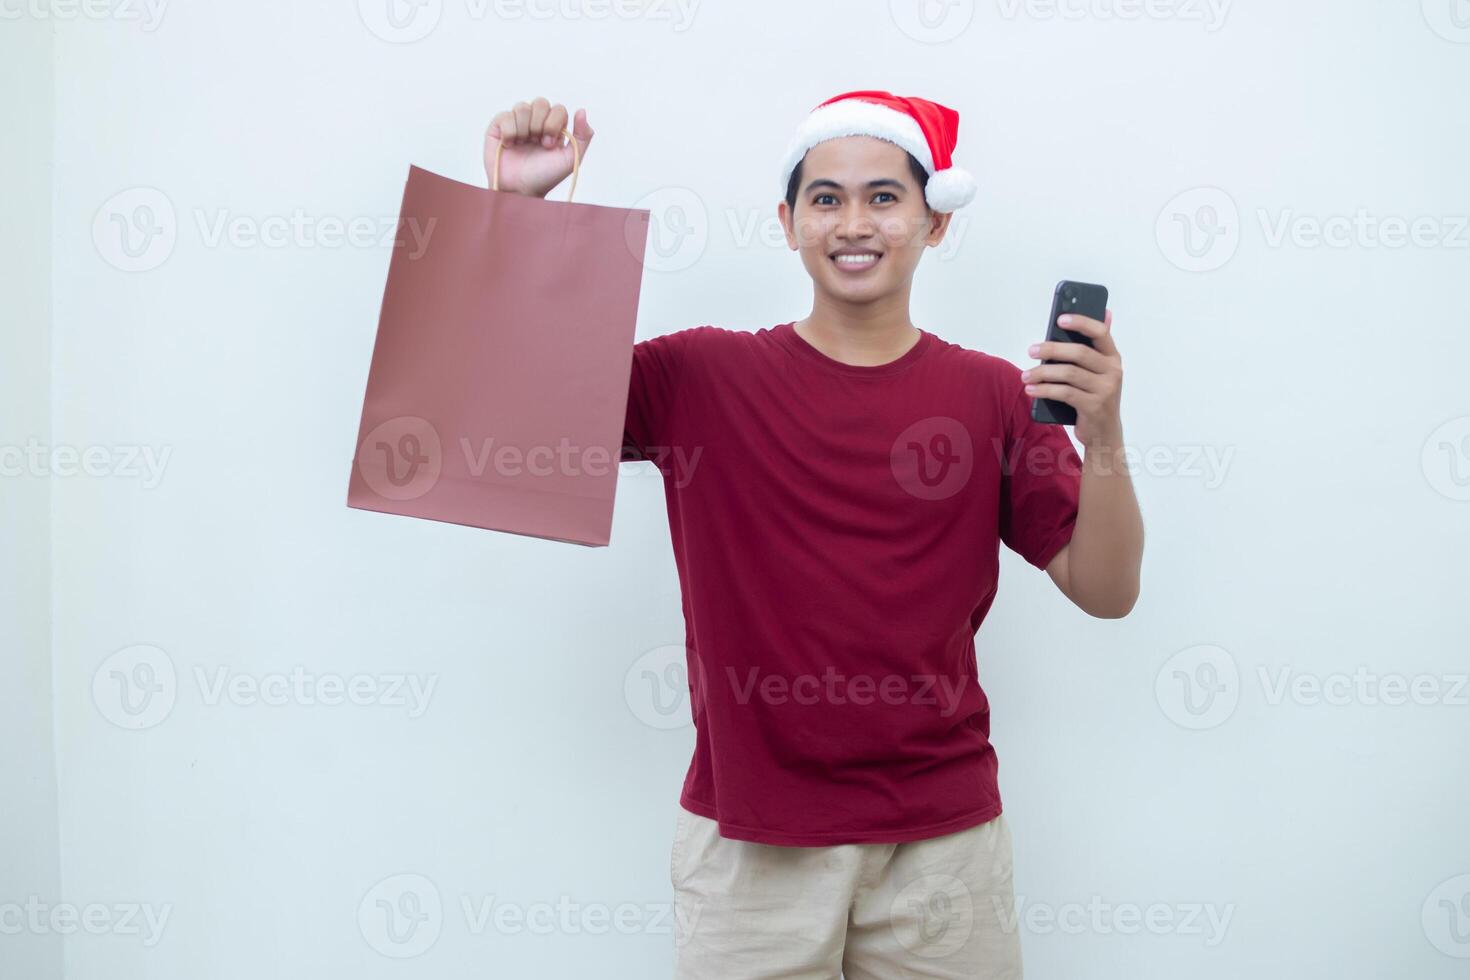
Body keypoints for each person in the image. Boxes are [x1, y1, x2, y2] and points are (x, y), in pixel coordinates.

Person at [483, 90, 1145, 980]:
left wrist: (1101, 435)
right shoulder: (702, 377)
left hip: (942, 852)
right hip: (750, 849)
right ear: (788, 223)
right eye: (826, 199)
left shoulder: (994, 396)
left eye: (883, 196)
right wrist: (518, 213)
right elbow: (520, 409)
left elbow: (1106, 591)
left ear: (933, 223)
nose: (853, 222)